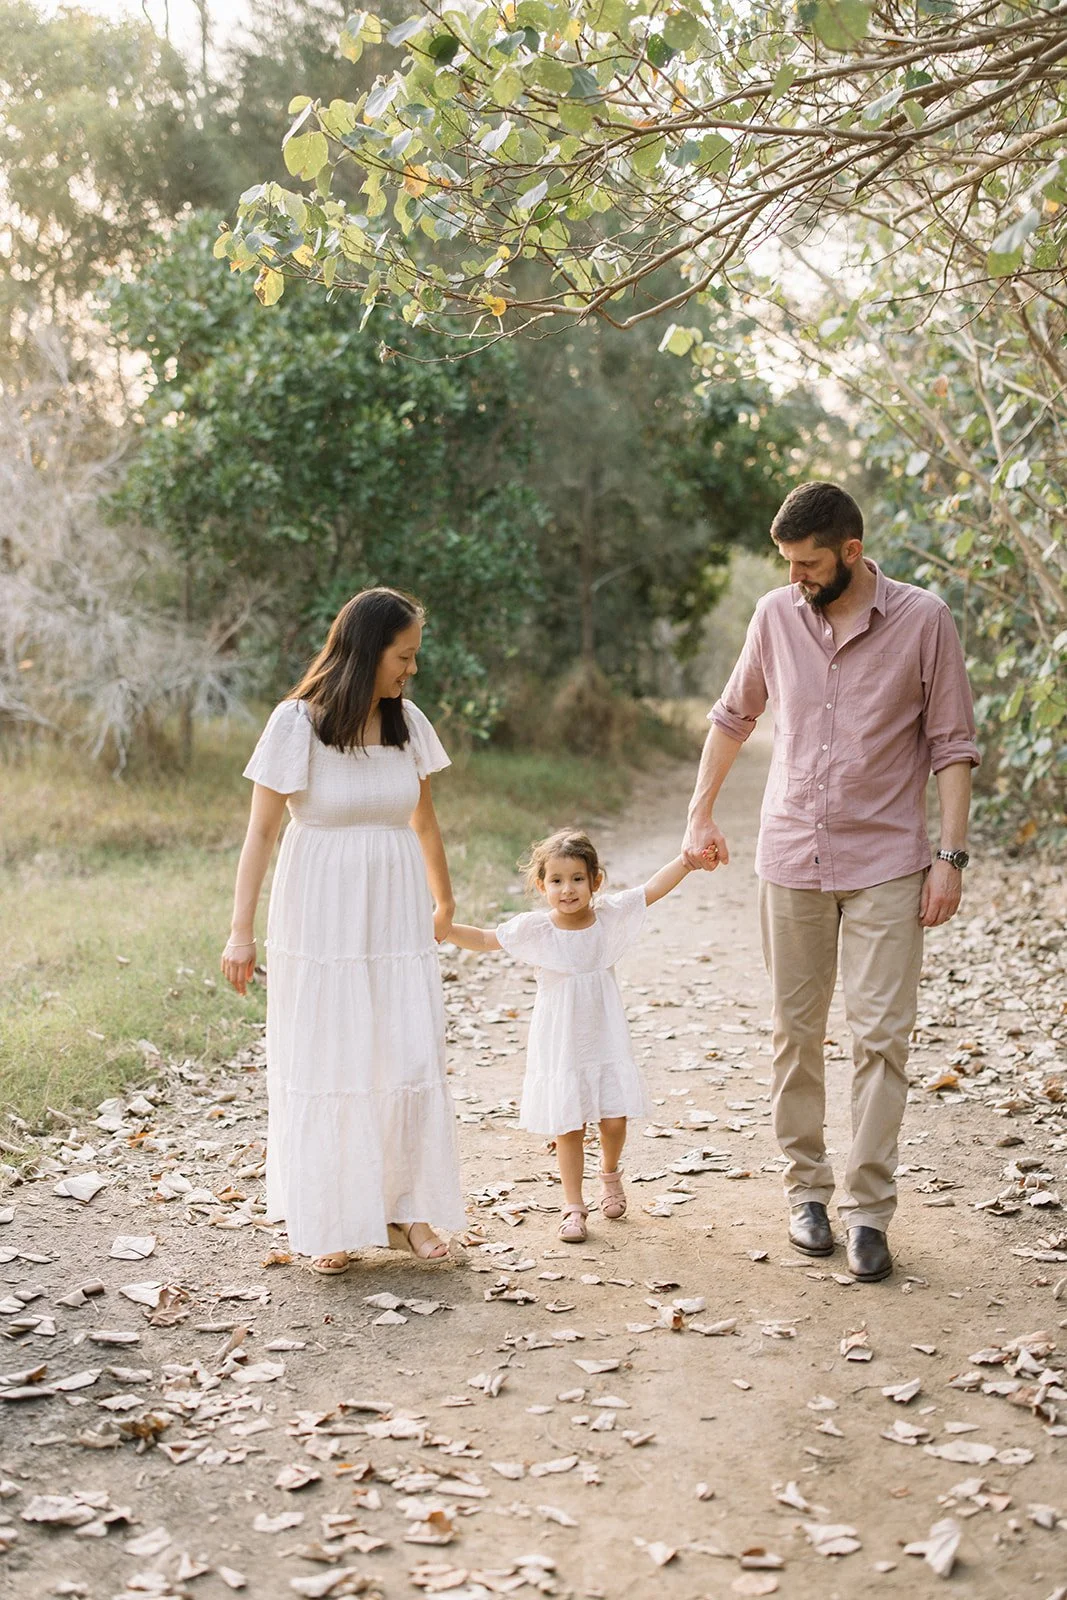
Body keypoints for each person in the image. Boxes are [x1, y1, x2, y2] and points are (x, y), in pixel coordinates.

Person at [683, 482, 979, 1283]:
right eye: (787, 563)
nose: (796, 579)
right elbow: (732, 715)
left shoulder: (924, 620)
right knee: (795, 1034)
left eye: (809, 564)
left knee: (882, 1038)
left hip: (887, 859)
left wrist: (949, 858)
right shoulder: (776, 616)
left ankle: (868, 1212)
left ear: (850, 551)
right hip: (790, 857)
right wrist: (698, 813)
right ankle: (806, 1193)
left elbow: (952, 745)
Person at [220, 587, 465, 1274]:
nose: (408, 671)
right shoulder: (295, 724)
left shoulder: (406, 722)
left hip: (393, 910)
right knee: (330, 1059)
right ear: (366, 652)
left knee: (404, 1054)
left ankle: (405, 1208)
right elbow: (261, 833)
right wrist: (240, 932)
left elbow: (424, 821)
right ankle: (327, 1215)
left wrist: (443, 903)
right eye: (402, 657)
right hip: (319, 911)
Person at [444, 829, 704, 1243]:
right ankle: (573, 1206)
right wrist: (442, 927)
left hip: (604, 1034)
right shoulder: (536, 929)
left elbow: (651, 890)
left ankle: (610, 1174)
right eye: (557, 880)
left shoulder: (609, 916)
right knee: (568, 1124)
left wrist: (687, 862)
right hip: (561, 1040)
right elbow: (484, 939)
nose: (568, 889)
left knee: (613, 1118)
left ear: (595, 880)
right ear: (541, 885)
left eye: (578, 879)